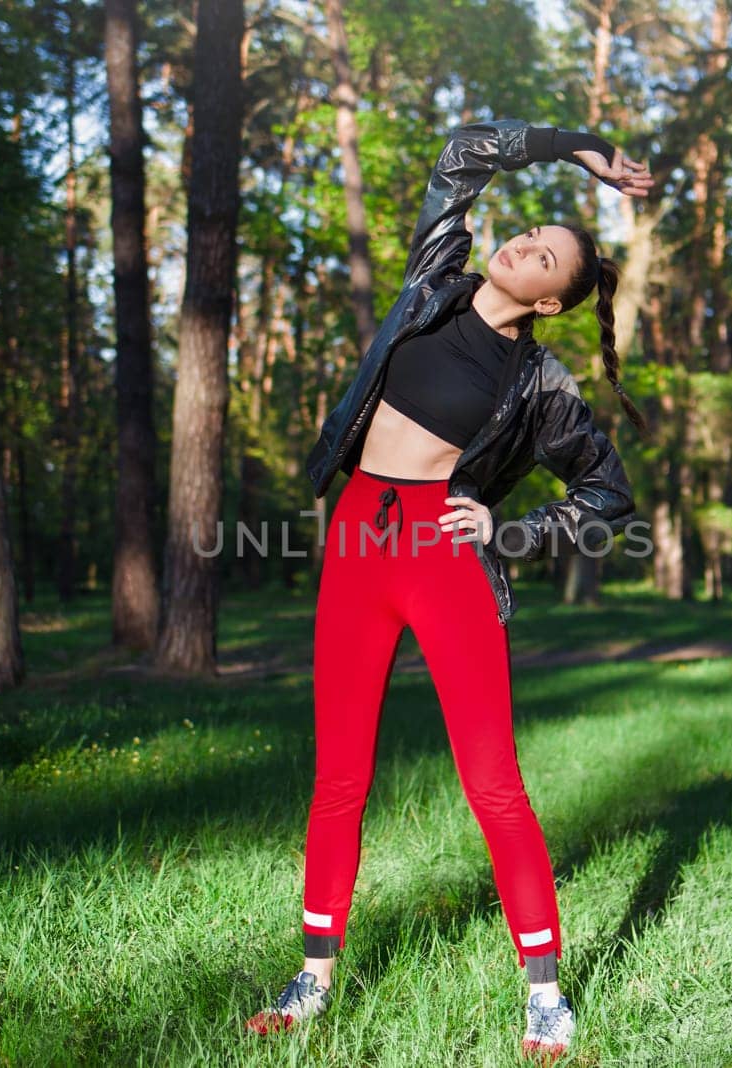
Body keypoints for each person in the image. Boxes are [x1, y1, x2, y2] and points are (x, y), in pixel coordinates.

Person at [247, 117, 652, 1062]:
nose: (526, 243)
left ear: (551, 301)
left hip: (445, 556)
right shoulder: (436, 280)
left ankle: (545, 996)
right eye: (533, 233)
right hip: (356, 542)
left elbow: (608, 492)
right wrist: (577, 145)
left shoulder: (540, 380)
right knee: (340, 776)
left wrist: (511, 530)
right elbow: (464, 152)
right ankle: (312, 979)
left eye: (546, 255)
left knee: (493, 783)